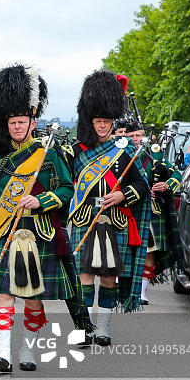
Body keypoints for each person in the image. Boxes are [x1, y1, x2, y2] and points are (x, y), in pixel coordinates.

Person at [0, 65, 91, 372]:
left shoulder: (48, 153)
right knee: (5, 294)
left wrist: (40, 200)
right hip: (6, 230)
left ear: (32, 122)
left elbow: (67, 188)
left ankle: (27, 349)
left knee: (33, 298)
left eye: (22, 122)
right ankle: (3, 353)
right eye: (12, 122)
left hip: (39, 231)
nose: (16, 127)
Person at [67, 71, 150, 345]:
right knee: (84, 276)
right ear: (90, 122)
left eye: (106, 121)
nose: (102, 126)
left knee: (108, 277)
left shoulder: (124, 150)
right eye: (98, 121)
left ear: (113, 122)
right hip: (85, 218)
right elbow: (66, 186)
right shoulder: (77, 151)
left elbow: (142, 184)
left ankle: (102, 328)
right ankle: (84, 329)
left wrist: (123, 195)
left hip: (114, 220)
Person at [124, 123, 183, 304]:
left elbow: (177, 175)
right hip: (126, 209)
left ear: (145, 136)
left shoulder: (154, 154)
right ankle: (123, 287)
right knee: (125, 249)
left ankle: (142, 291)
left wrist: (166, 185)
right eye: (132, 136)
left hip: (151, 210)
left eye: (138, 135)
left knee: (149, 251)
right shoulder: (119, 154)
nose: (135, 139)